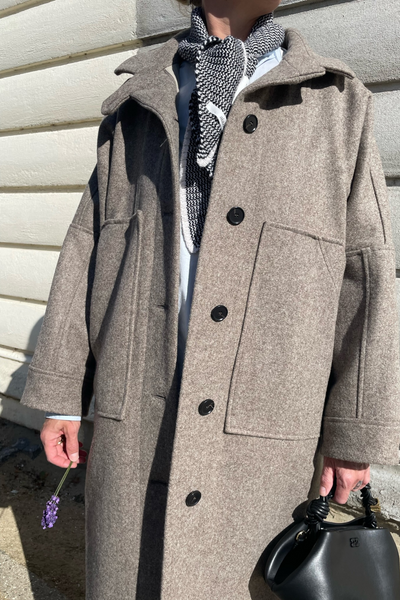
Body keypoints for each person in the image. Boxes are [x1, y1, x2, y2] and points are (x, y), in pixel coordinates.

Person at [20, 0, 400, 598]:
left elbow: (366, 271)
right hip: (138, 407)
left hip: (266, 424)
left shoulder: (335, 101)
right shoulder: (139, 101)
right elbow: (88, 245)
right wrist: (63, 394)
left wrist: (354, 432)